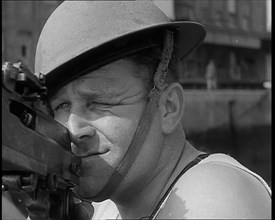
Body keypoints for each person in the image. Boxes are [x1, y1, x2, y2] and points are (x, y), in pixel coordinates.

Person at [6, 1, 271, 219]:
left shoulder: (218, 196)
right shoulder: (105, 209)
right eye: (61, 106)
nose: (74, 129)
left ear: (168, 108)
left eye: (99, 101)